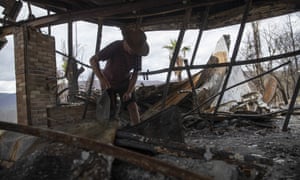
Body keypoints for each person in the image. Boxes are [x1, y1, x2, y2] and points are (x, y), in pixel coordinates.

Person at [90, 27, 149, 125]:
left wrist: (129, 91)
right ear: (125, 42)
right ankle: (109, 130)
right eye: (132, 49)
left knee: (133, 107)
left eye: (136, 50)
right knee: (109, 109)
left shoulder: (137, 54)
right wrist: (102, 80)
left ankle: (137, 129)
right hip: (108, 81)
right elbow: (93, 60)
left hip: (124, 82)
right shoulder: (115, 46)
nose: (134, 52)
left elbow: (135, 74)